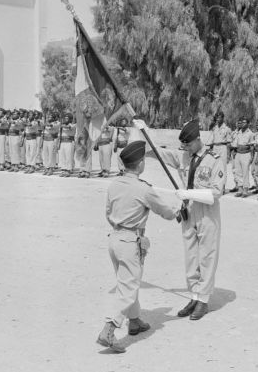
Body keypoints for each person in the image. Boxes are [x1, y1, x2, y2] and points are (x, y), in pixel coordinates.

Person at [97, 140, 181, 353]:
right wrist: (178, 210)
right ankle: (109, 328)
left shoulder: (115, 184)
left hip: (114, 238)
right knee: (128, 286)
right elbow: (165, 211)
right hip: (130, 241)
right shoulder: (143, 189)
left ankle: (134, 321)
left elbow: (108, 212)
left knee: (126, 281)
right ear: (141, 163)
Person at [139, 118, 226, 321]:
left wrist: (188, 194)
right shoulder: (184, 157)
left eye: (187, 144)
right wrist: (144, 130)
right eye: (182, 145)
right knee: (191, 257)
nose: (184, 148)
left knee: (207, 256)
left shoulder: (215, 159)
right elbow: (158, 152)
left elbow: (215, 193)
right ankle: (194, 296)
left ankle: (203, 300)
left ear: (197, 139)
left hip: (207, 213)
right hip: (188, 213)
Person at [230, 117, 254, 197]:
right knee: (238, 172)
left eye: (244, 122)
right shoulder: (239, 132)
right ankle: (240, 189)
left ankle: (245, 190)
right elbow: (235, 143)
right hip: (238, 153)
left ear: (248, 124)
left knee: (245, 172)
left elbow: (252, 146)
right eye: (242, 122)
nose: (243, 124)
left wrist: (252, 156)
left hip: (246, 154)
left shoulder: (250, 133)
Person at [208, 111, 232, 190]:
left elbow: (228, 143)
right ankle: (215, 185)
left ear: (223, 118)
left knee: (223, 167)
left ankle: (223, 186)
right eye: (216, 117)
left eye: (219, 117)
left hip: (223, 147)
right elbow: (212, 140)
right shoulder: (214, 128)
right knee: (214, 166)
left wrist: (228, 155)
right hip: (215, 147)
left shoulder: (227, 129)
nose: (218, 119)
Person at [58, 113, 76, 177]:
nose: (65, 119)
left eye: (67, 118)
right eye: (65, 118)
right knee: (63, 156)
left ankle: (69, 170)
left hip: (69, 142)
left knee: (69, 156)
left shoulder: (73, 125)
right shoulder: (62, 125)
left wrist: (61, 125)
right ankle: (64, 169)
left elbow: (68, 127)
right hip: (63, 142)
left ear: (70, 119)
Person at [250, 118, 258, 194]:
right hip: (254, 152)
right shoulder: (256, 133)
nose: (257, 125)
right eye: (257, 124)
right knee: (253, 170)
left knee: (257, 170)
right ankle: (256, 184)